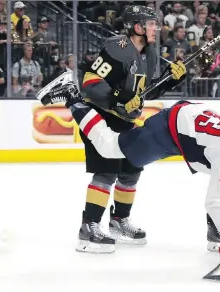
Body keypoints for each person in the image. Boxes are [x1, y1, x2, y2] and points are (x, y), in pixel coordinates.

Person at [40, 87, 220, 266]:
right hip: (169, 130)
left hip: (188, 123)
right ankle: (71, 97)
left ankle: (216, 230)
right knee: (109, 147)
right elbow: (215, 199)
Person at [52, 5, 187, 254]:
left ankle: (118, 221)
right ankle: (89, 227)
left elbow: (144, 93)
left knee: (132, 169)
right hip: (100, 116)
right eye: (150, 24)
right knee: (106, 172)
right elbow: (91, 82)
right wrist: (119, 98)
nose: (156, 28)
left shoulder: (151, 54)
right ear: (137, 27)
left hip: (124, 120)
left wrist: (171, 78)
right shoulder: (119, 48)